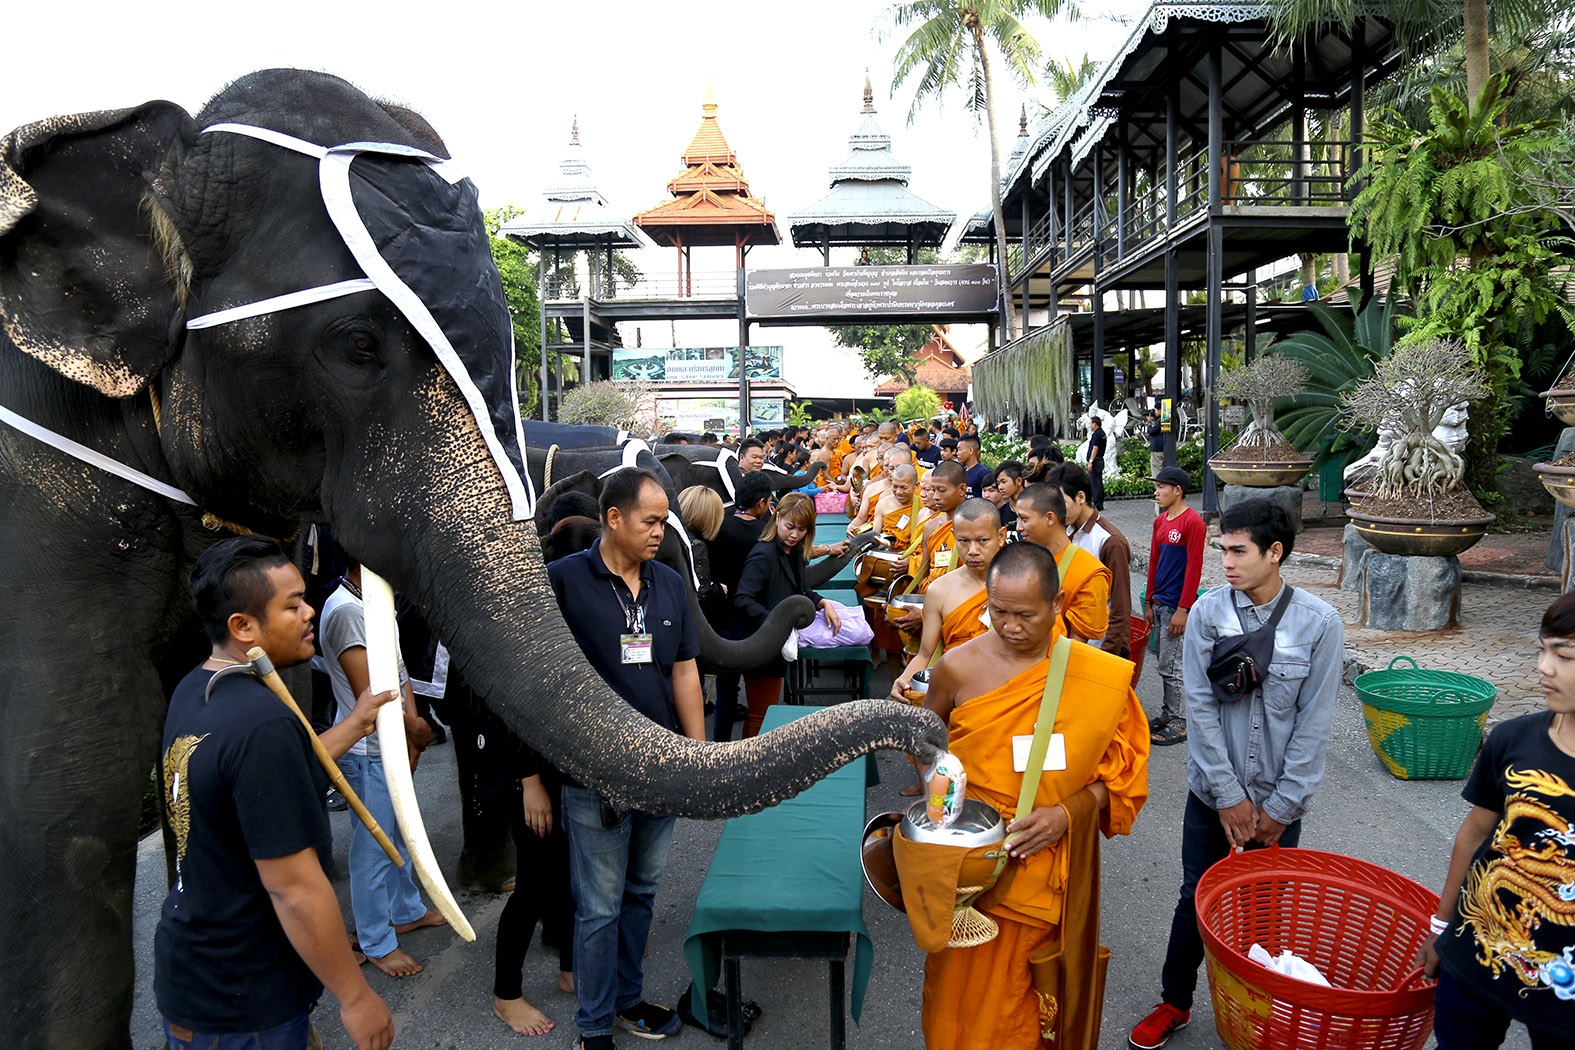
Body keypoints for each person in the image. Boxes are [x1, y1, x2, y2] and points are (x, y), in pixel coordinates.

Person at [156, 536, 395, 1050]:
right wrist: (355, 997)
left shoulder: (197, 690)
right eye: (292, 605)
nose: (310, 612)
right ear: (242, 626)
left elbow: (266, 779)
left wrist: (354, 724)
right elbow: (294, 887)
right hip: (244, 999)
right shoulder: (261, 723)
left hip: (197, 974)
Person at [1128, 499, 1343, 1050]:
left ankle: (1255, 1010)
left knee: (1264, 909)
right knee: (1194, 896)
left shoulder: (1319, 623)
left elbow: (1314, 723)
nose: (1225, 560)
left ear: (1275, 553)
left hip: (1278, 801)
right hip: (1211, 794)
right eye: (1223, 548)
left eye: (1238, 550)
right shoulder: (1208, 613)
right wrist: (1226, 796)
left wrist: (1280, 808)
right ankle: (1174, 1002)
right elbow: (1199, 708)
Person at [920, 542, 1149, 1050]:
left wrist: (1069, 814)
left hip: (1046, 870)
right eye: (997, 611)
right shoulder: (957, 667)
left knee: (1028, 1007)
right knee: (960, 1000)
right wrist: (937, 811)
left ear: (1059, 604)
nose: (1009, 625)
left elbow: (1125, 776)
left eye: (1025, 614)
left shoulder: (1098, 677)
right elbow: (927, 743)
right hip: (972, 870)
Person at [546, 468, 706, 1048]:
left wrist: (697, 754)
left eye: (665, 521)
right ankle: (593, 1028)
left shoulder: (667, 581)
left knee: (640, 894)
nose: (660, 531)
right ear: (613, 519)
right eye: (650, 521)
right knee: (597, 908)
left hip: (661, 772)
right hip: (594, 778)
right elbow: (538, 685)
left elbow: (685, 669)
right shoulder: (563, 581)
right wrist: (531, 777)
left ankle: (627, 998)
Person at [1415, 592, 1575, 1049]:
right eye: (1543, 649)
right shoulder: (1513, 739)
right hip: (1476, 954)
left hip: (1562, 994)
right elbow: (1474, 835)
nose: (1545, 667)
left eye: (1563, 656)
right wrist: (1442, 930)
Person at [320, 557, 445, 978]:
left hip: (391, 742)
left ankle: (405, 911)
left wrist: (413, 729)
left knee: (400, 833)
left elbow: (401, 672)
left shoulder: (375, 600)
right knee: (373, 850)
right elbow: (371, 695)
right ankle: (375, 940)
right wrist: (415, 729)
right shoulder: (346, 612)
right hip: (368, 751)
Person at [733, 492, 846, 737]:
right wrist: (774, 623)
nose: (795, 535)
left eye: (802, 529)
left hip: (776, 643)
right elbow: (742, 599)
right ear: (777, 517)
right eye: (790, 527)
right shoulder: (763, 555)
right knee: (761, 716)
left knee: (763, 713)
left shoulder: (792, 551)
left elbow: (800, 587)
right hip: (760, 645)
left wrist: (822, 602)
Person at [889, 498, 1007, 699]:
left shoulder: (1018, 586)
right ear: (953, 537)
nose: (973, 551)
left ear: (1001, 537)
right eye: (963, 541)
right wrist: (902, 681)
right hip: (954, 689)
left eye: (982, 541)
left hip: (1004, 689)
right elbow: (926, 654)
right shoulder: (940, 590)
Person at [1145, 466, 1206, 747]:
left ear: (1177, 490)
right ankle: (1169, 714)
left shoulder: (1193, 523)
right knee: (1163, 663)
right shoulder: (1161, 522)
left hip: (1175, 606)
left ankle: (1180, 722)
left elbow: (1194, 569)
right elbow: (1154, 562)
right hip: (1159, 603)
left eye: (1162, 487)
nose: (1156, 493)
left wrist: (1183, 608)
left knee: (1172, 666)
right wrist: (1148, 599)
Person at [1049, 464, 1133, 660]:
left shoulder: (1109, 541)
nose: (1057, 512)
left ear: (1080, 497)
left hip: (1101, 646)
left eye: (1062, 504)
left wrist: (1109, 652)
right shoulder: (1068, 531)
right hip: (1072, 641)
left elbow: (1120, 607)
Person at [1014, 483, 1111, 644]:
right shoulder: (1019, 559)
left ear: (1050, 518)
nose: (1018, 527)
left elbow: (1075, 644)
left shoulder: (1088, 571)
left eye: (1024, 519)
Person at [994, 461, 1025, 537]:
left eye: (1004, 482)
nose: (1000, 487)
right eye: (998, 483)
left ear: (1019, 481)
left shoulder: (1034, 509)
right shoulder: (999, 514)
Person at [957, 434, 992, 499]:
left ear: (971, 451)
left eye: (960, 449)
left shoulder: (983, 473)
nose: (957, 453)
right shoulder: (961, 471)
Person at [1084, 416, 1107, 509]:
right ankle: (1100, 502)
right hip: (1100, 460)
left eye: (1091, 423)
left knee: (1095, 482)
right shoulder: (1102, 433)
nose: (1090, 425)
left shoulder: (1097, 434)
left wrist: (1091, 461)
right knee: (1098, 481)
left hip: (1096, 461)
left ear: (1095, 424)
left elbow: (1095, 448)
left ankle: (1097, 503)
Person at [1147, 409, 1165, 480]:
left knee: (1156, 470)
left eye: (1155, 410)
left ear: (1160, 410)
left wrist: (1149, 422)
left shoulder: (1160, 420)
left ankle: (1158, 488)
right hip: (1162, 448)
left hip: (1157, 448)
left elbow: (1151, 432)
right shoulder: (1165, 419)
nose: (1154, 412)